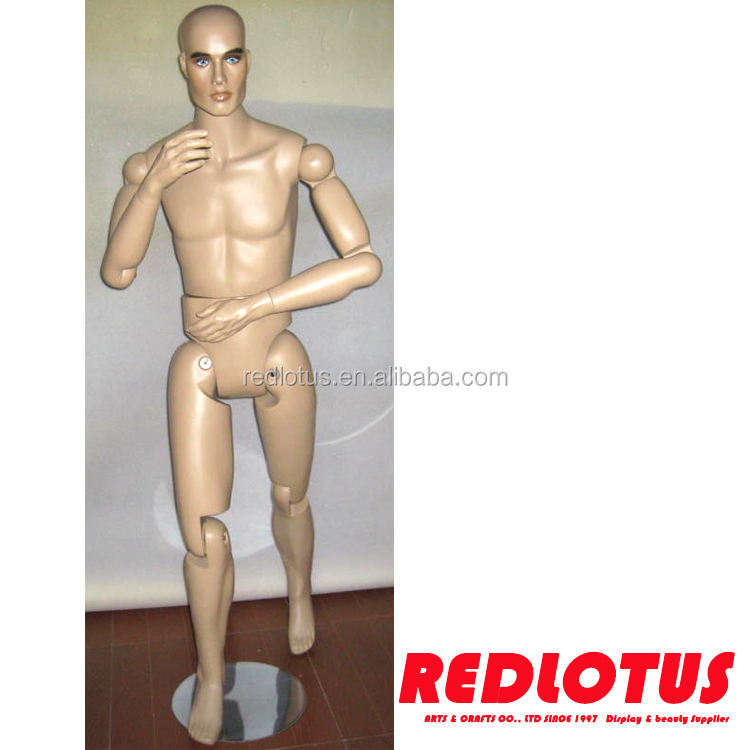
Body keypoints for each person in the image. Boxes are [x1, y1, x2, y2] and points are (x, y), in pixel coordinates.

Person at [101, 5, 381, 744]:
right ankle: (211, 674)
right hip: (200, 363)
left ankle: (299, 591)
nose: (219, 76)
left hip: (274, 350)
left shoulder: (293, 155)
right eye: (202, 59)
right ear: (183, 66)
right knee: (203, 534)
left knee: (290, 495)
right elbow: (118, 271)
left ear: (249, 60)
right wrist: (153, 184)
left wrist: (257, 304)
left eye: (232, 57)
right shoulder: (152, 166)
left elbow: (363, 262)